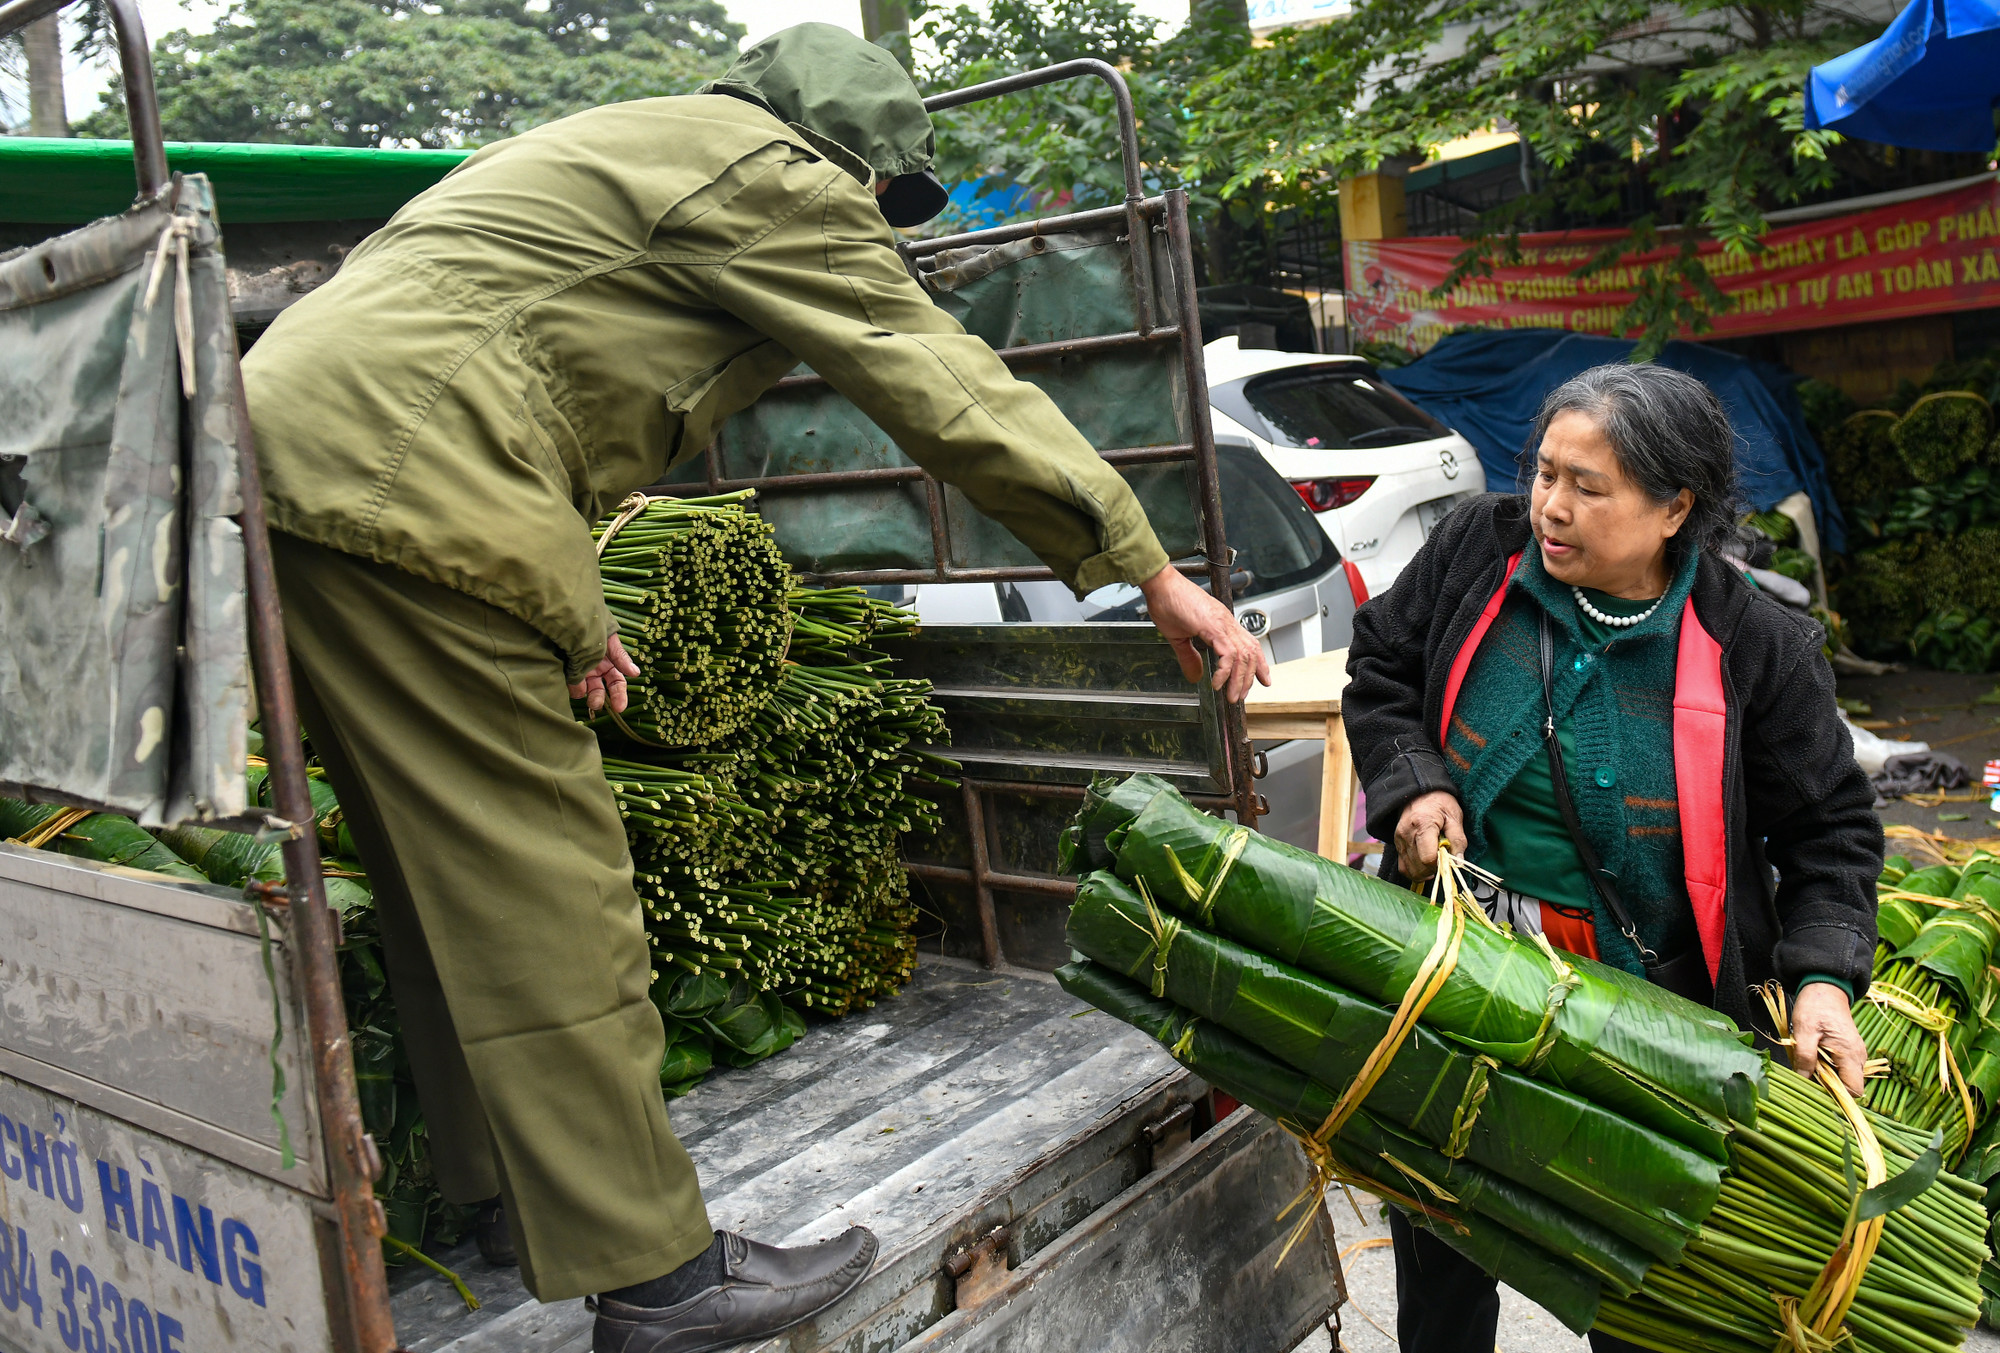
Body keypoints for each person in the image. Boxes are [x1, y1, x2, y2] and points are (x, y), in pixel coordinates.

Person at [239, 24, 1268, 1353]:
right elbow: (941, 382)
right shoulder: (768, 172)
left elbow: (511, 371)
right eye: (885, 204)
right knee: (550, 875)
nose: (876, 230)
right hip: (413, 475)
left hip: (308, 471)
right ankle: (660, 1275)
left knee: (450, 870)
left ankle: (509, 1194)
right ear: (850, 155)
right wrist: (1146, 565)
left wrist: (563, 591)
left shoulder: (628, 146)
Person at [1341, 363, 1878, 1353]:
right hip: (1453, 981)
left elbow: (1828, 832)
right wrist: (1413, 782)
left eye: (1587, 487)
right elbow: (1379, 663)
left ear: (1674, 506)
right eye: (1544, 473)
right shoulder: (1475, 552)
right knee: (1440, 1244)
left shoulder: (1753, 641)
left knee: (1638, 1280)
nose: (1549, 505)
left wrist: (1819, 978)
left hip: (1649, 1021)